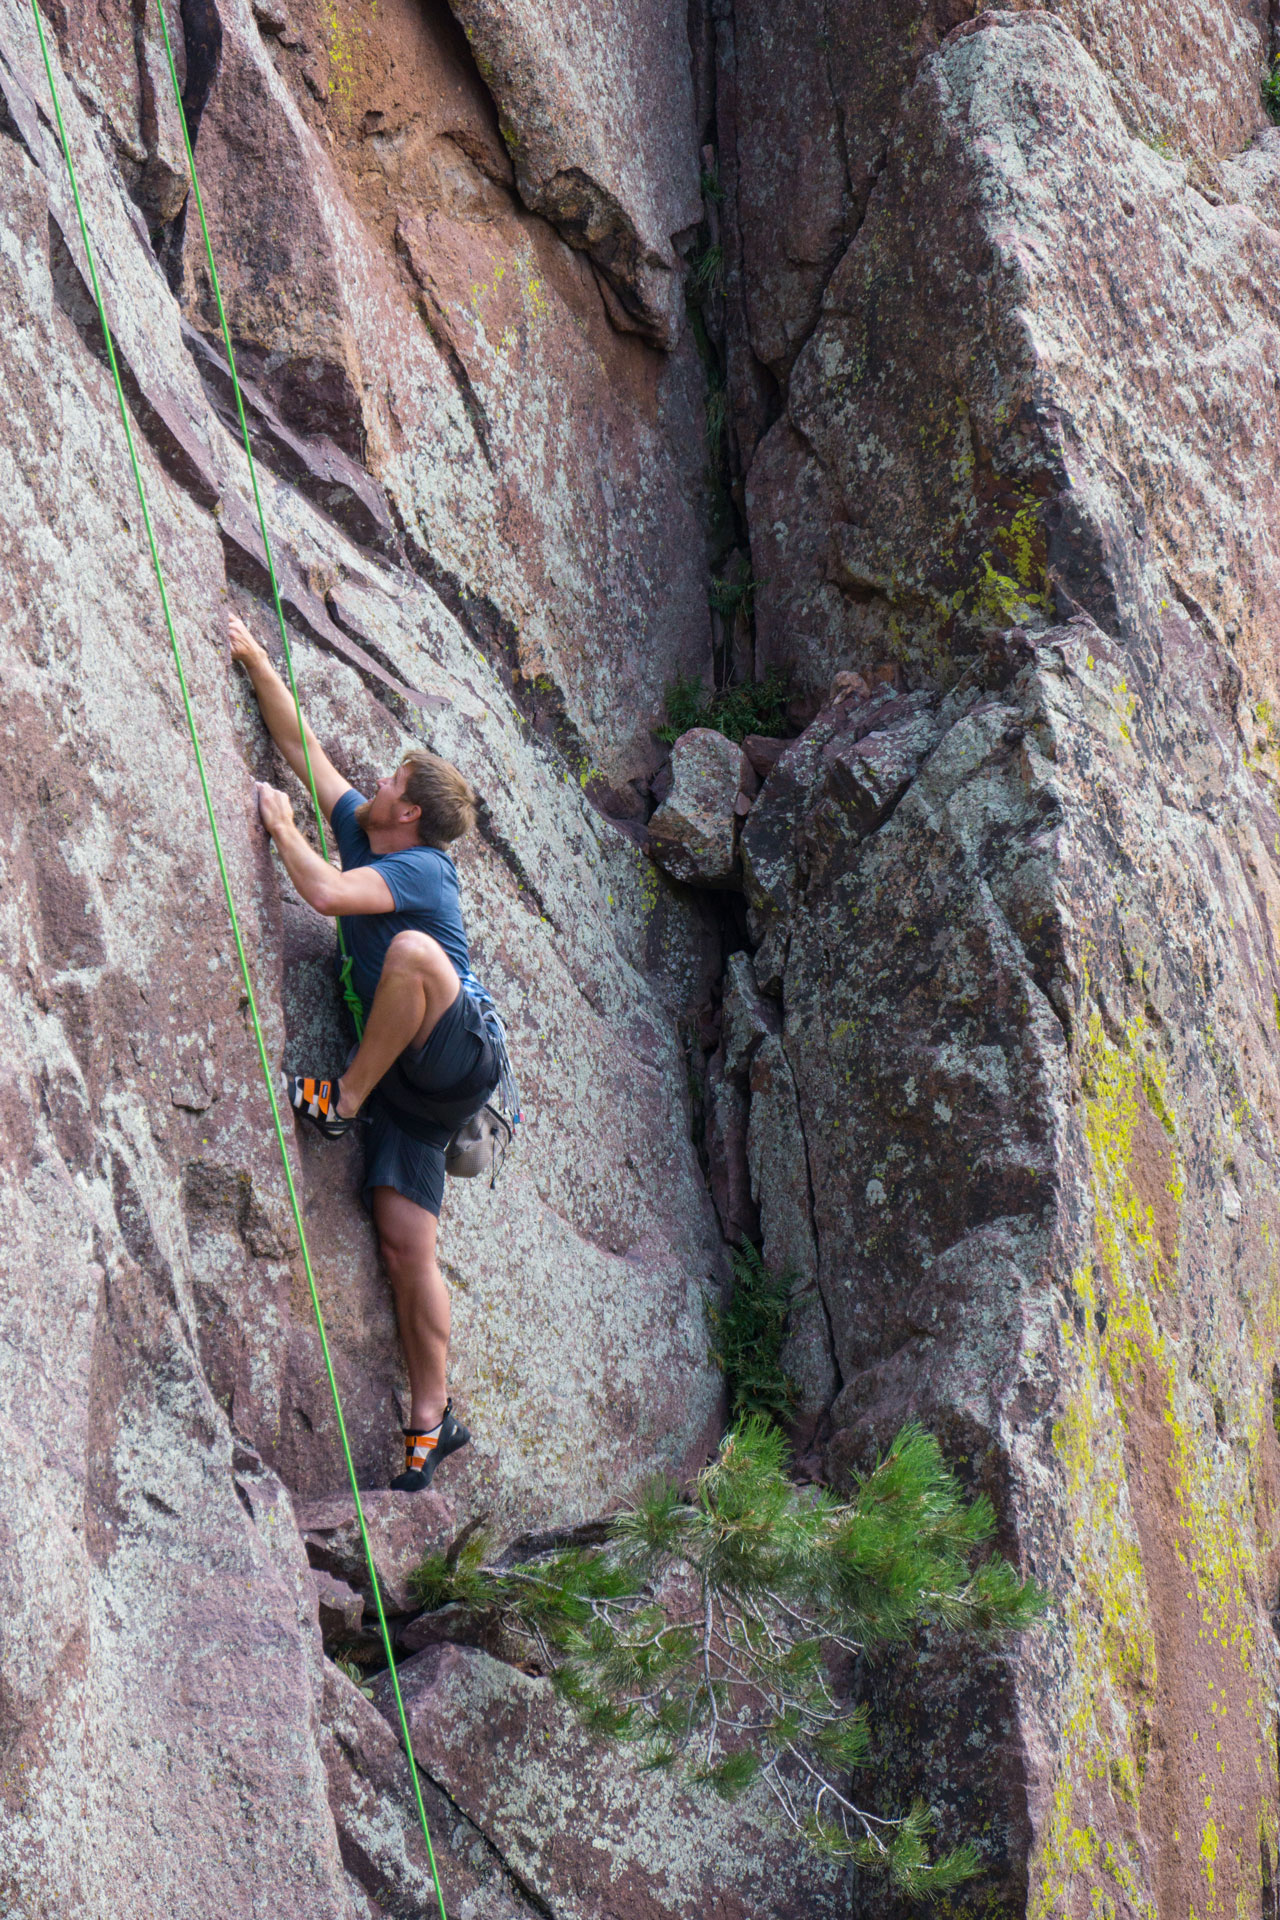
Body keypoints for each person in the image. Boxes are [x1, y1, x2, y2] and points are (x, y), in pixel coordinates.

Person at [228, 611, 495, 1492]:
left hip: (455, 1055)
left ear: (408, 809)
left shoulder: (421, 870)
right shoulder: (369, 826)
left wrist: (277, 823)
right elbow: (301, 744)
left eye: (389, 779)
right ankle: (432, 1419)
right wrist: (253, 655)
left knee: (416, 955)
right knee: (404, 1243)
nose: (372, 782)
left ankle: (340, 1102)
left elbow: (325, 892)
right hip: (416, 1090)